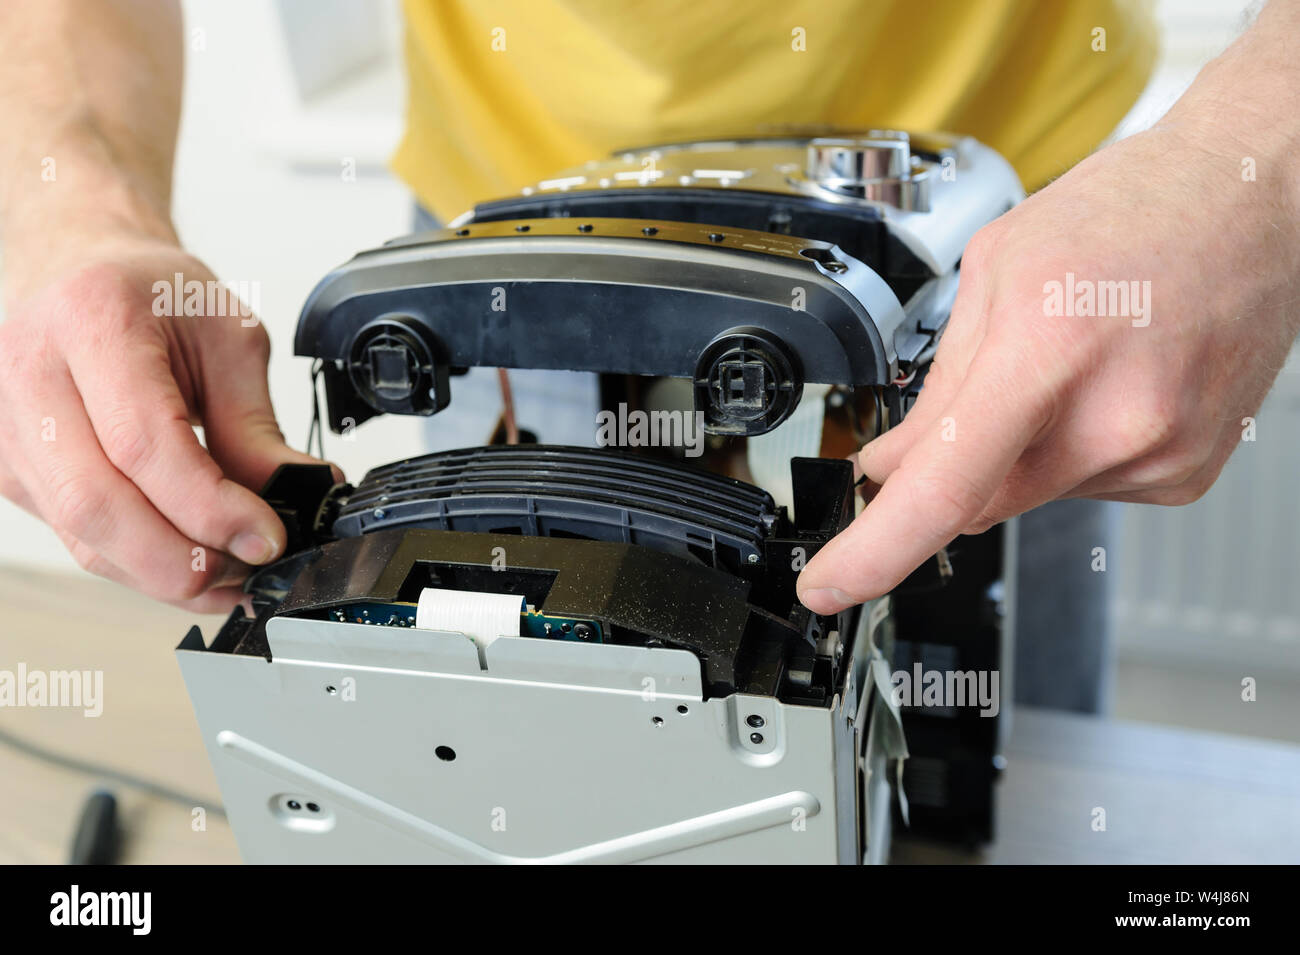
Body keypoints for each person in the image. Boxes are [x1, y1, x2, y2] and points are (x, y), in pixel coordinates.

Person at [1, 3, 1296, 656]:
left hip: (1016, 269)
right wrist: (68, 207)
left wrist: (1258, 162)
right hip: (490, 260)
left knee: (965, 765)